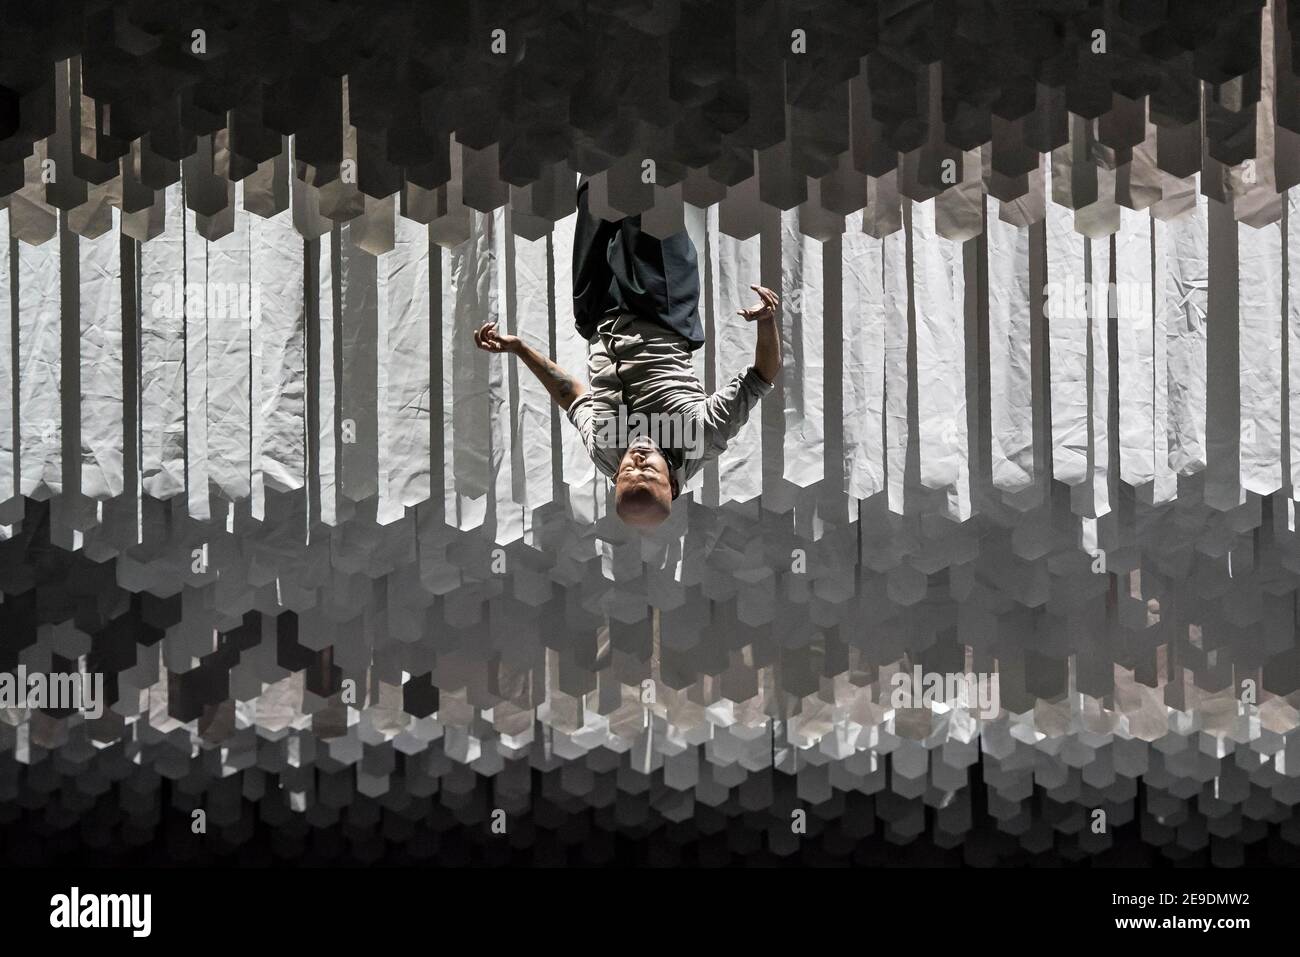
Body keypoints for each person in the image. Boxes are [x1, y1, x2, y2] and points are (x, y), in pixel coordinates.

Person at [473, 176, 780, 529]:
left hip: (598, 312)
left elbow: (571, 397)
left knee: (595, 191)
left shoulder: (605, 453)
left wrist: (520, 349)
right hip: (661, 302)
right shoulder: (701, 438)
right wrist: (767, 320)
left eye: (627, 473)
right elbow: (761, 377)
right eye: (648, 471)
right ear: (675, 485)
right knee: (645, 186)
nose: (636, 460)